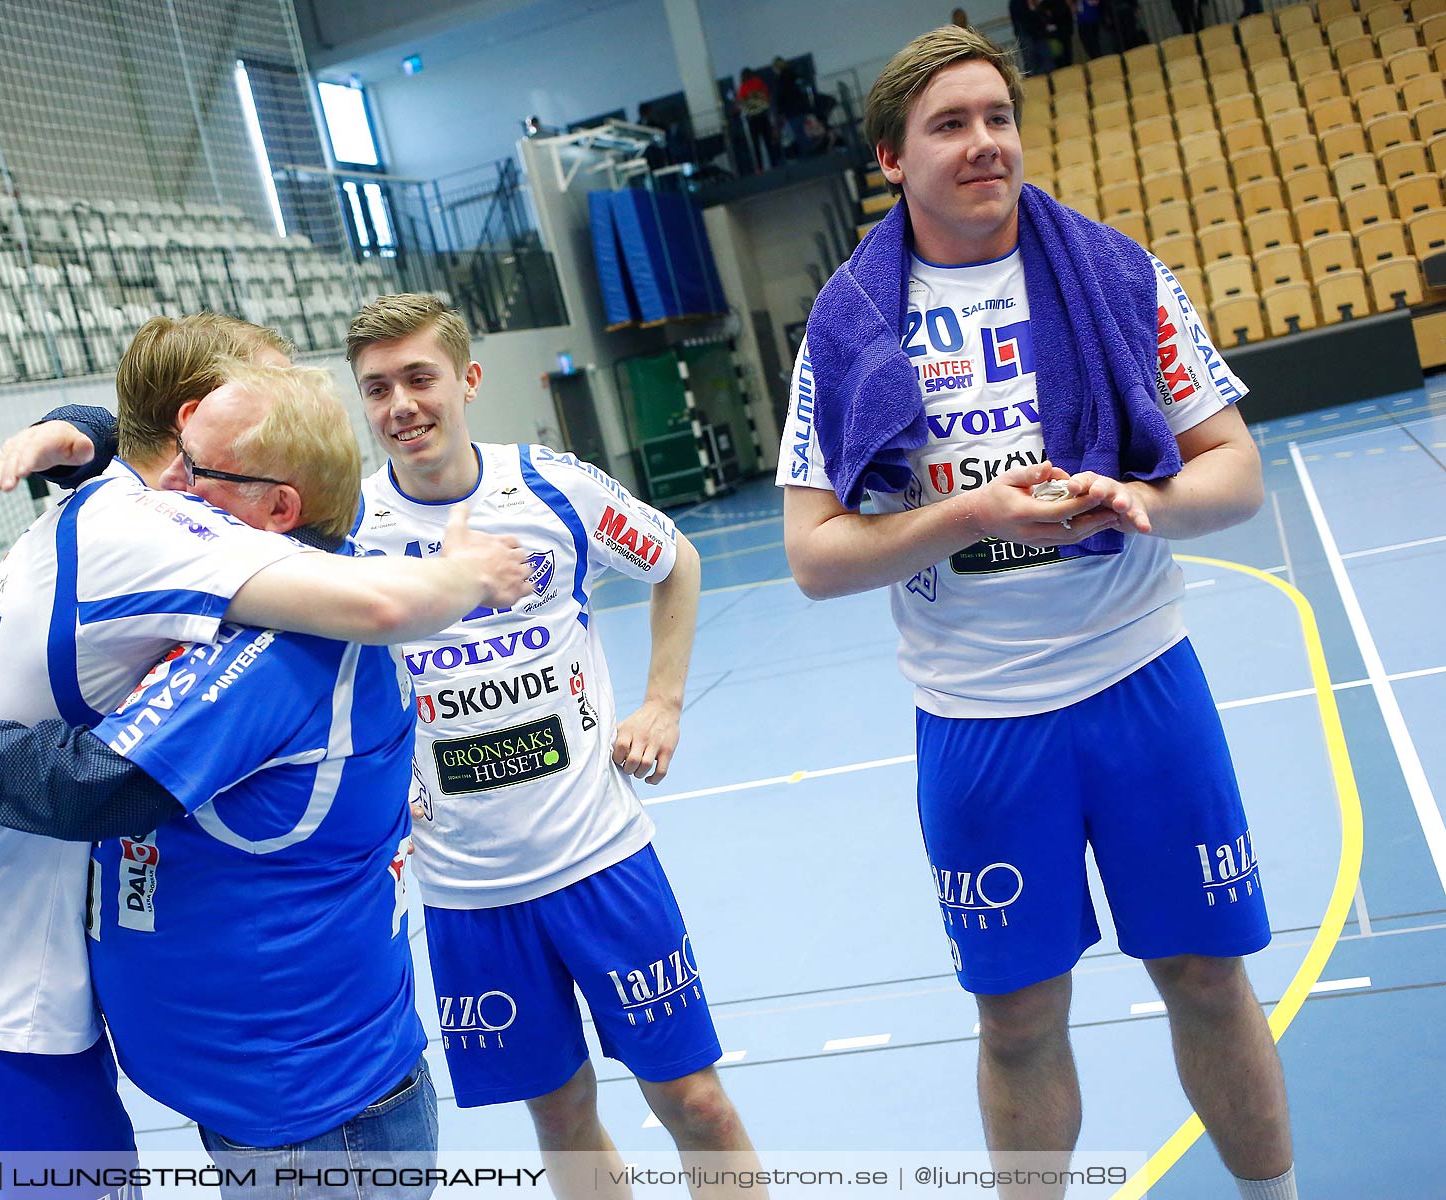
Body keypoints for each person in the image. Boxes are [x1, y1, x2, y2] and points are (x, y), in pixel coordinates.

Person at [778, 27, 1295, 1200]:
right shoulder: (848, 326)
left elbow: (1237, 474)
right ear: (891, 159)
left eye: (997, 117)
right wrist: (960, 519)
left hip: (1141, 682)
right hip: (980, 719)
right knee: (1016, 1021)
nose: (984, 144)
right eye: (950, 126)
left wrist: (1144, 497)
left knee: (1209, 977)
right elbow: (814, 558)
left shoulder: (1115, 273)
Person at [0, 314, 528, 1200]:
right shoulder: (161, 533)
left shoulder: (189, 558)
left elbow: (98, 787)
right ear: (182, 427)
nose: (186, 474)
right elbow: (370, 593)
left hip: (220, 1071)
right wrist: (466, 573)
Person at [348, 294, 763, 1200]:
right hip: (466, 889)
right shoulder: (348, 534)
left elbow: (676, 562)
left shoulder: (552, 488)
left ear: (468, 379)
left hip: (599, 861)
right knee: (562, 1121)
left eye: (420, 378)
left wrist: (663, 702)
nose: (401, 406)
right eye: (377, 388)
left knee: (695, 1103)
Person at [772, 57, 813, 159]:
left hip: (791, 111)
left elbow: (780, 97)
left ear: (777, 68)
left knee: (797, 133)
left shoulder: (781, 80)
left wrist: (779, 112)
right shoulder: (793, 75)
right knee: (803, 132)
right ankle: (810, 153)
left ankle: (806, 157)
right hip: (800, 108)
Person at [1009, 0, 1053, 76]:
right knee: (1032, 62)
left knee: (1046, 61)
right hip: (1027, 36)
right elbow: (1022, 19)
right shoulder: (1016, 3)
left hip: (1038, 35)